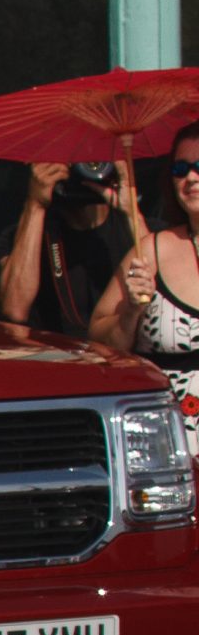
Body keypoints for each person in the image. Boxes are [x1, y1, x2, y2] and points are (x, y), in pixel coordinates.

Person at [90, 121, 199, 445]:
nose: (191, 178)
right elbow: (99, 344)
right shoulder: (151, 250)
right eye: (181, 168)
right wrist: (131, 315)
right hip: (167, 445)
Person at [0, 161, 130, 337]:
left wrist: (131, 211)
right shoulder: (23, 236)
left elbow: (163, 305)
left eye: (94, 162)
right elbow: (14, 311)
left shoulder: (142, 232)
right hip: (56, 359)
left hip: (128, 359)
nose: (82, 169)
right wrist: (35, 204)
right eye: (71, 162)